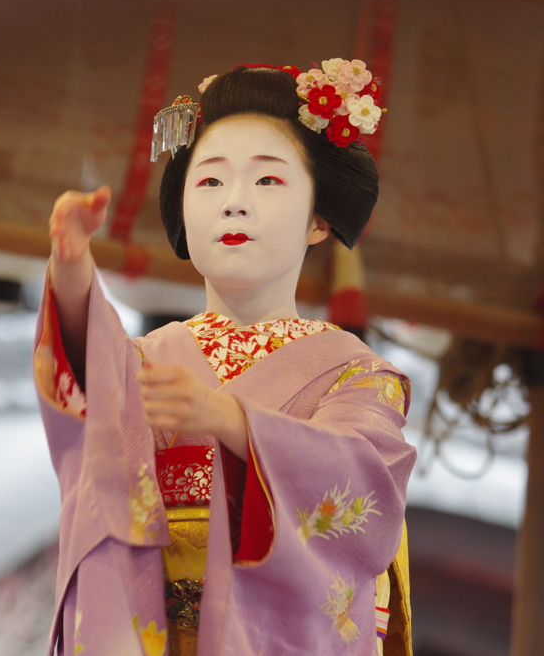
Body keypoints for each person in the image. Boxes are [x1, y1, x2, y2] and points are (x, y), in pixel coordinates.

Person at [33, 61, 415, 656]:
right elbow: (88, 397)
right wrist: (72, 269)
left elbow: (360, 482)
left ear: (319, 218)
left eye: (268, 182)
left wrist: (234, 423)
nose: (234, 204)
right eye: (210, 182)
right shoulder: (141, 361)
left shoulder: (356, 374)